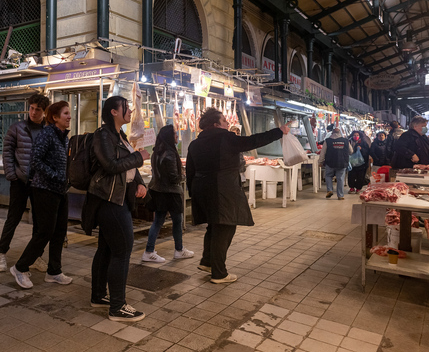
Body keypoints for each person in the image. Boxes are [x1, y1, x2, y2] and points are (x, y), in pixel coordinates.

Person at [186, 108, 289, 284]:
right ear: (216, 124)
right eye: (224, 120)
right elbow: (253, 141)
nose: (227, 123)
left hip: (202, 188)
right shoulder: (224, 137)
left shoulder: (195, 144)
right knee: (225, 226)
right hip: (223, 188)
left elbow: (190, 171)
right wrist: (278, 131)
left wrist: (194, 192)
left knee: (214, 224)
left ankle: (207, 262)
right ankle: (219, 273)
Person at [86, 96, 150, 321]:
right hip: (109, 201)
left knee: (106, 249)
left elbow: (127, 166)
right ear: (114, 112)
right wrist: (138, 158)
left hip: (119, 198)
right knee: (122, 251)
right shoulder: (103, 135)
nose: (130, 110)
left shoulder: (119, 136)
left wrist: (140, 182)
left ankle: (98, 296)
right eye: (125, 107)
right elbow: (111, 166)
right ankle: (118, 306)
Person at [9, 101, 73, 289]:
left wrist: (65, 179)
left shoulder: (64, 137)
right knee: (45, 231)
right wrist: (56, 176)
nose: (69, 117)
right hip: (44, 189)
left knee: (60, 232)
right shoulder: (47, 134)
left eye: (69, 113)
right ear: (55, 117)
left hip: (60, 190)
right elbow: (35, 161)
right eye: (66, 113)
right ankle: (20, 268)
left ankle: (54, 271)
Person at [0, 93, 50, 273]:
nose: (33, 112)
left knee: (40, 221)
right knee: (13, 217)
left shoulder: (48, 130)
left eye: (38, 110)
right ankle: (1, 252)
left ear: (44, 111)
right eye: (32, 108)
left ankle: (35, 256)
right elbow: (7, 152)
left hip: (40, 182)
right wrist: (11, 175)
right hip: (19, 181)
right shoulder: (17, 128)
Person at [142, 125, 194, 263]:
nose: (177, 136)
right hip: (170, 193)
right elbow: (173, 177)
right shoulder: (170, 153)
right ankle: (179, 250)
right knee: (177, 221)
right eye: (175, 134)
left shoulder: (156, 152)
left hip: (158, 191)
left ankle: (149, 250)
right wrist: (183, 176)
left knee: (158, 221)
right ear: (169, 137)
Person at [318, 127, 353, 200]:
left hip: (330, 162)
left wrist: (320, 162)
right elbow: (351, 151)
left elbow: (323, 152)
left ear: (332, 133)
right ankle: (340, 195)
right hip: (342, 162)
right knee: (340, 178)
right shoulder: (346, 141)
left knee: (328, 176)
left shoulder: (327, 141)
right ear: (340, 133)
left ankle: (330, 190)